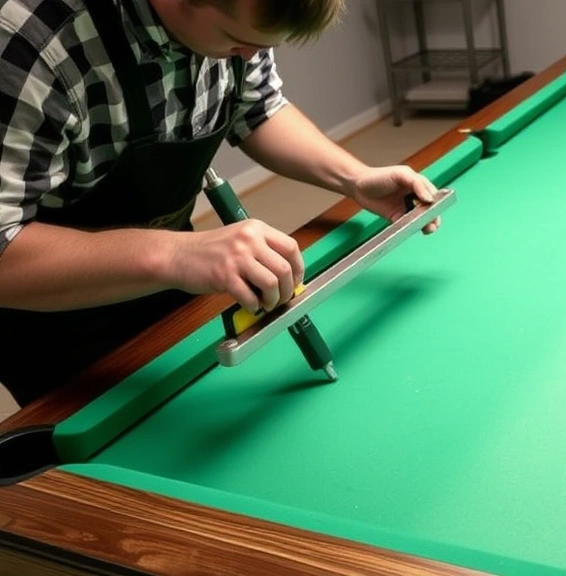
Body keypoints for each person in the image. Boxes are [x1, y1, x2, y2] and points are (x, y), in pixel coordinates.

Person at [0, 0, 442, 407]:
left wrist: (354, 178)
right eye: (239, 41)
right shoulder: (30, 43)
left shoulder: (241, 25)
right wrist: (175, 255)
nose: (251, 56)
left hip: (169, 283)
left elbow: (258, 107)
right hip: (53, 323)